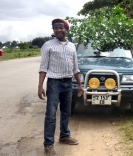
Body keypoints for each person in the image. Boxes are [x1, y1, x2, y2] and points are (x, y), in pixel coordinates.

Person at [38, 18, 83, 156]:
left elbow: (75, 67)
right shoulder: (48, 45)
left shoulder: (71, 46)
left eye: (61, 27)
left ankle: (64, 136)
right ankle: (48, 144)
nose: (58, 29)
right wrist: (40, 86)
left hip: (68, 83)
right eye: (56, 27)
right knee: (51, 114)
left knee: (66, 111)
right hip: (54, 83)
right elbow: (43, 67)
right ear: (53, 30)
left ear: (66, 29)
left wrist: (80, 85)